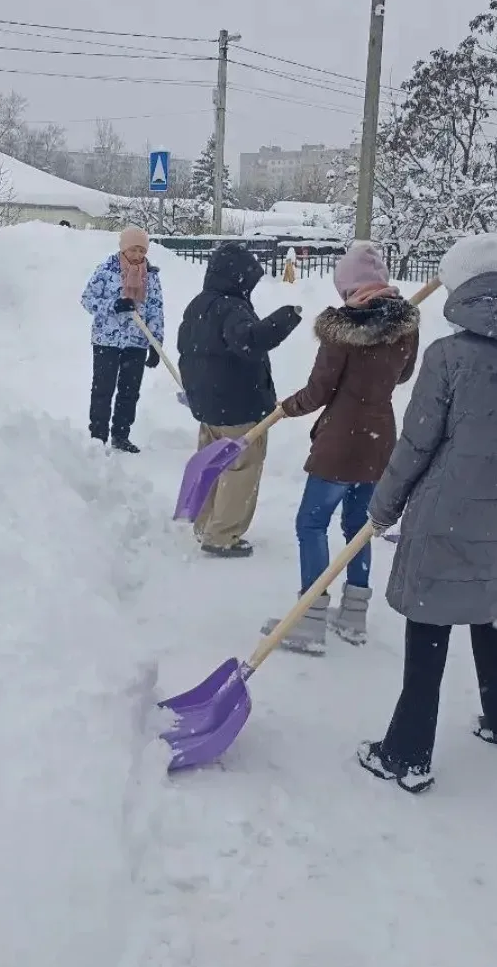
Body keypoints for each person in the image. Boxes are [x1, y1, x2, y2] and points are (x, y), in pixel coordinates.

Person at [359, 233, 497, 795]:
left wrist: (383, 508)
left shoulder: (448, 357)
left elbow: (416, 446)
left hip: (444, 520)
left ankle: (405, 756)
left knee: (429, 631)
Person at [263, 242, 421, 653]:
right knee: (358, 528)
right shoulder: (405, 325)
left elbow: (318, 392)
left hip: (340, 443)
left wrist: (286, 406)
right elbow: (403, 375)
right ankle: (353, 616)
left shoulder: (342, 331)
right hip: (379, 441)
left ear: (349, 285)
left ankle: (310, 619)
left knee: (311, 523)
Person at [178, 241, 301, 558]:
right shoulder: (232, 308)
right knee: (240, 469)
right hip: (239, 407)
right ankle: (222, 535)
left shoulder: (199, 305)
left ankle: (205, 524)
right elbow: (250, 341)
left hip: (209, 407)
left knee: (211, 464)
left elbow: (186, 350)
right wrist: (284, 319)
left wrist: (196, 392)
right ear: (238, 278)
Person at [81, 226, 164, 453]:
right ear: (123, 248)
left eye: (142, 250)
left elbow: (156, 310)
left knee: (129, 392)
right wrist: (113, 305)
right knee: (103, 390)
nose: (137, 255)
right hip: (106, 341)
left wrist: (156, 343)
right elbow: (87, 299)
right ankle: (98, 436)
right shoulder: (106, 270)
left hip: (137, 342)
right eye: (133, 249)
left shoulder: (151, 275)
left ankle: (121, 435)